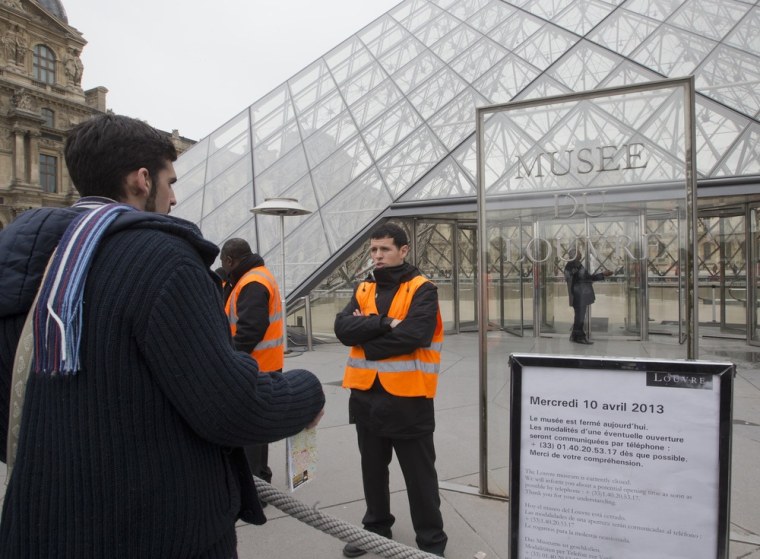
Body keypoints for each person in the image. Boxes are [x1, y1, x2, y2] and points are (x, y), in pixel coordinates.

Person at [0, 114, 325, 558]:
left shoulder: (23, 262)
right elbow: (230, 407)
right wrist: (306, 392)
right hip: (158, 533)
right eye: (169, 181)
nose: (173, 197)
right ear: (140, 180)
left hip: (41, 529)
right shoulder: (162, 259)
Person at [334, 223, 447, 558]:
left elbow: (415, 334)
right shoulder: (364, 288)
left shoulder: (423, 289)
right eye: (373, 250)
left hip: (408, 399)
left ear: (403, 250)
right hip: (366, 398)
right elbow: (342, 328)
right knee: (372, 470)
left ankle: (431, 543)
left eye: (384, 249)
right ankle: (375, 529)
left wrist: (366, 340)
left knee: (420, 478)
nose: (377, 256)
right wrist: (383, 324)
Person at [220, 238, 284, 490]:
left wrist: (228, 359)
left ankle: (255, 486)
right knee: (257, 429)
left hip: (255, 366)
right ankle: (258, 479)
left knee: (252, 430)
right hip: (262, 364)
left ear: (229, 260)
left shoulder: (253, 282)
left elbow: (250, 329)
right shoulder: (255, 276)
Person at [563, 247, 612, 344]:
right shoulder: (575, 265)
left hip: (576, 294)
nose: (581, 254)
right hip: (579, 295)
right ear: (573, 255)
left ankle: (574, 335)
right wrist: (603, 274)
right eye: (578, 252)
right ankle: (580, 337)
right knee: (580, 317)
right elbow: (587, 278)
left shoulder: (571, 265)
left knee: (579, 316)